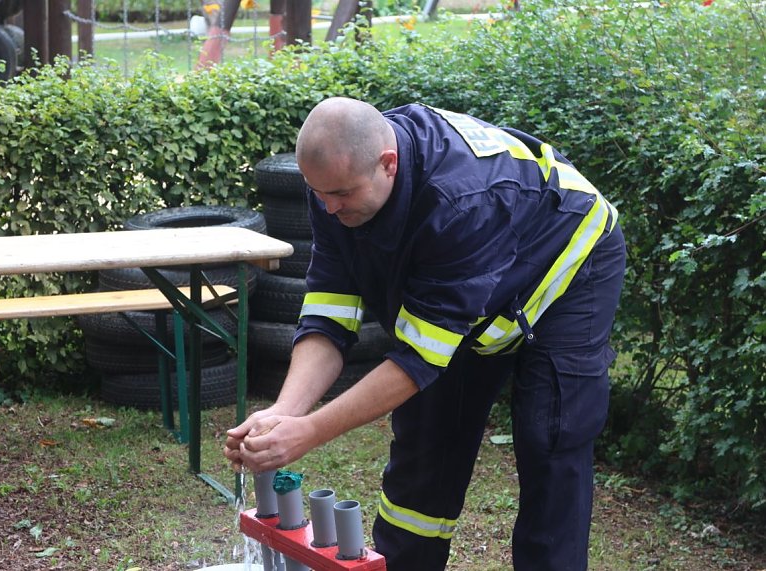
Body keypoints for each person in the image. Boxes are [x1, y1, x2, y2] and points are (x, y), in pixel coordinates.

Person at [224, 97, 626, 570]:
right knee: (424, 445)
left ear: (387, 165)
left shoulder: (460, 202)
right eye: (320, 194)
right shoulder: (335, 183)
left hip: (567, 267)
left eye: (342, 195)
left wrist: (310, 431)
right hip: (472, 290)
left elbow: (417, 360)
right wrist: (284, 412)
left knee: (549, 438)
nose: (329, 208)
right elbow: (329, 318)